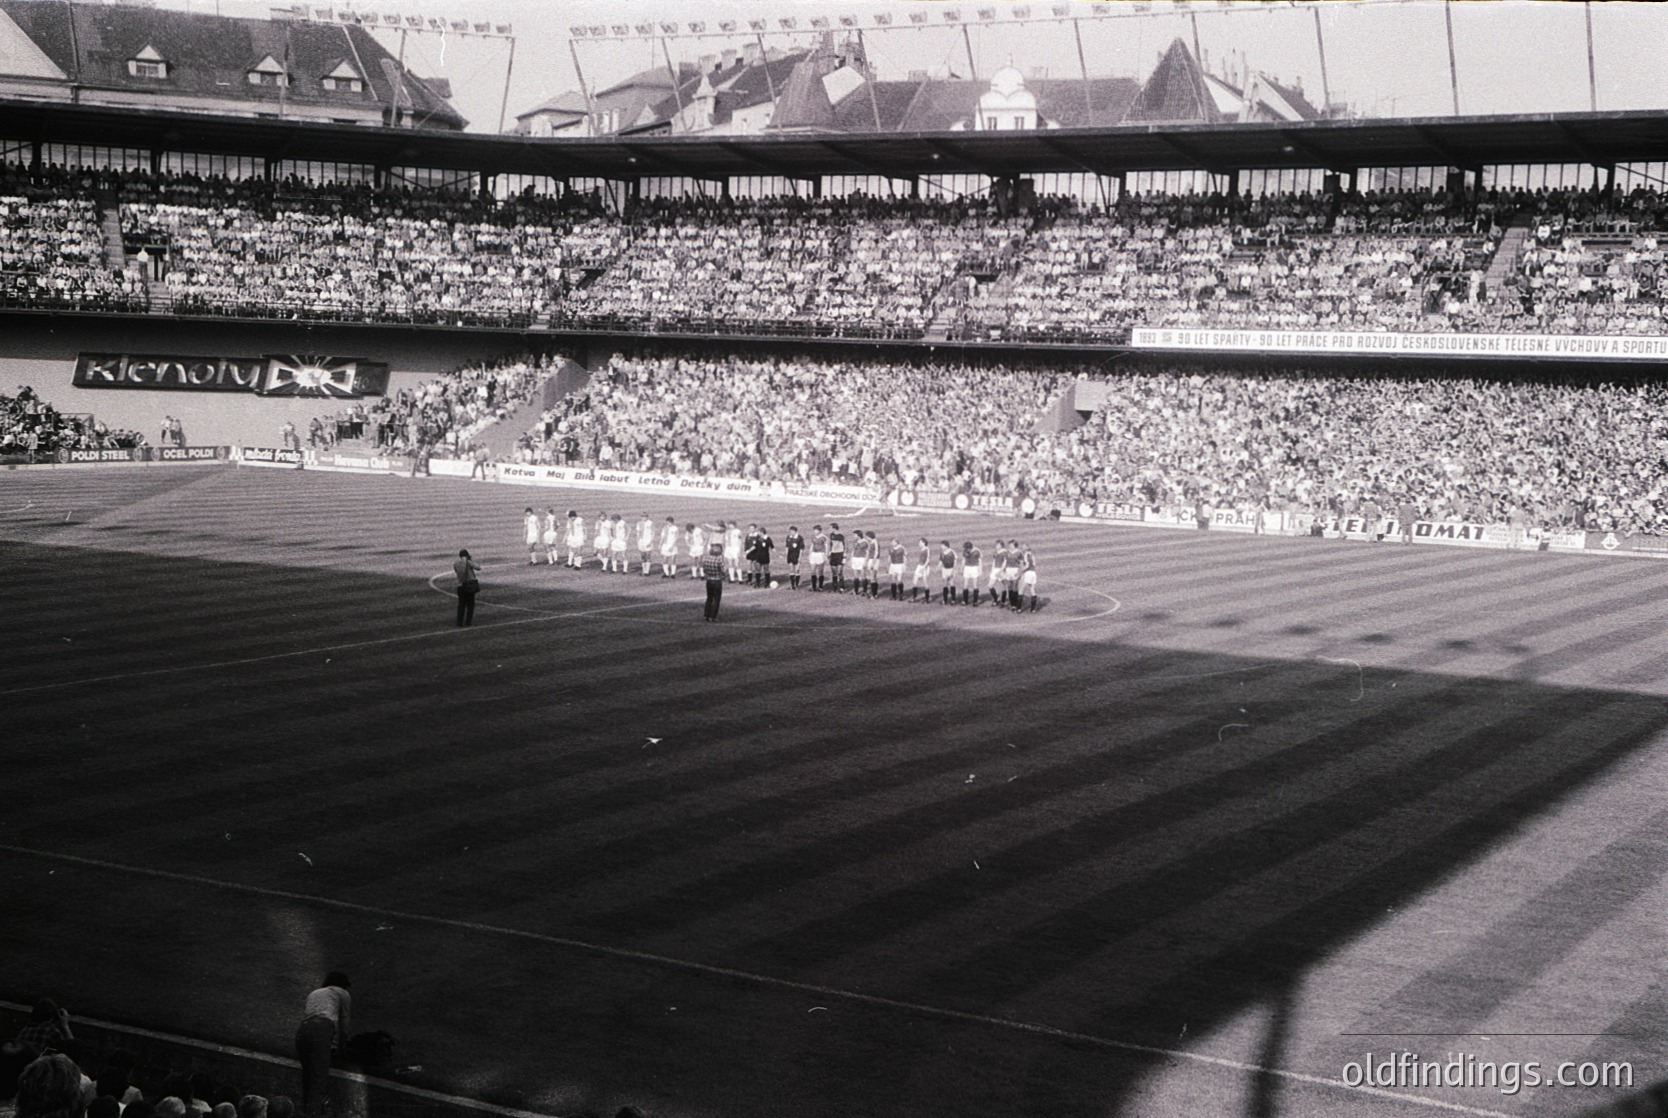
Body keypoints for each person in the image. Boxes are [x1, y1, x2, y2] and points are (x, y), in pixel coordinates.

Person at [294, 972, 351, 1118]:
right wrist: (339, 1047)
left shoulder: (315, 993)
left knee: (308, 1075)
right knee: (318, 1078)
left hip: (302, 1031)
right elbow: (343, 1024)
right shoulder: (342, 993)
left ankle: (305, 1112)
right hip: (321, 1030)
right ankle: (312, 1114)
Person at [699, 542, 726, 622]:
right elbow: (723, 570)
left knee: (709, 598)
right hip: (717, 580)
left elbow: (704, 569)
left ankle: (706, 615)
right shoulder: (719, 560)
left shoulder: (706, 559)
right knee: (716, 599)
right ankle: (713, 616)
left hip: (709, 580)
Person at [454, 550, 480, 627]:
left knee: (461, 605)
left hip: (460, 586)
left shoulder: (456, 563)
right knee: (470, 605)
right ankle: (468, 622)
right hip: (468, 586)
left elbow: (457, 572)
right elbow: (478, 567)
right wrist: (470, 560)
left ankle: (459, 622)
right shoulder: (468, 562)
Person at [783, 525, 804, 590]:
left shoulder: (799, 538)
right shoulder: (788, 537)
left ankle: (797, 585)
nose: (791, 532)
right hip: (790, 555)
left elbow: (801, 548)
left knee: (797, 570)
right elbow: (787, 547)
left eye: (792, 531)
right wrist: (786, 555)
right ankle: (792, 585)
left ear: (795, 531)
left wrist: (800, 557)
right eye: (790, 531)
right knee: (791, 569)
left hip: (797, 555)